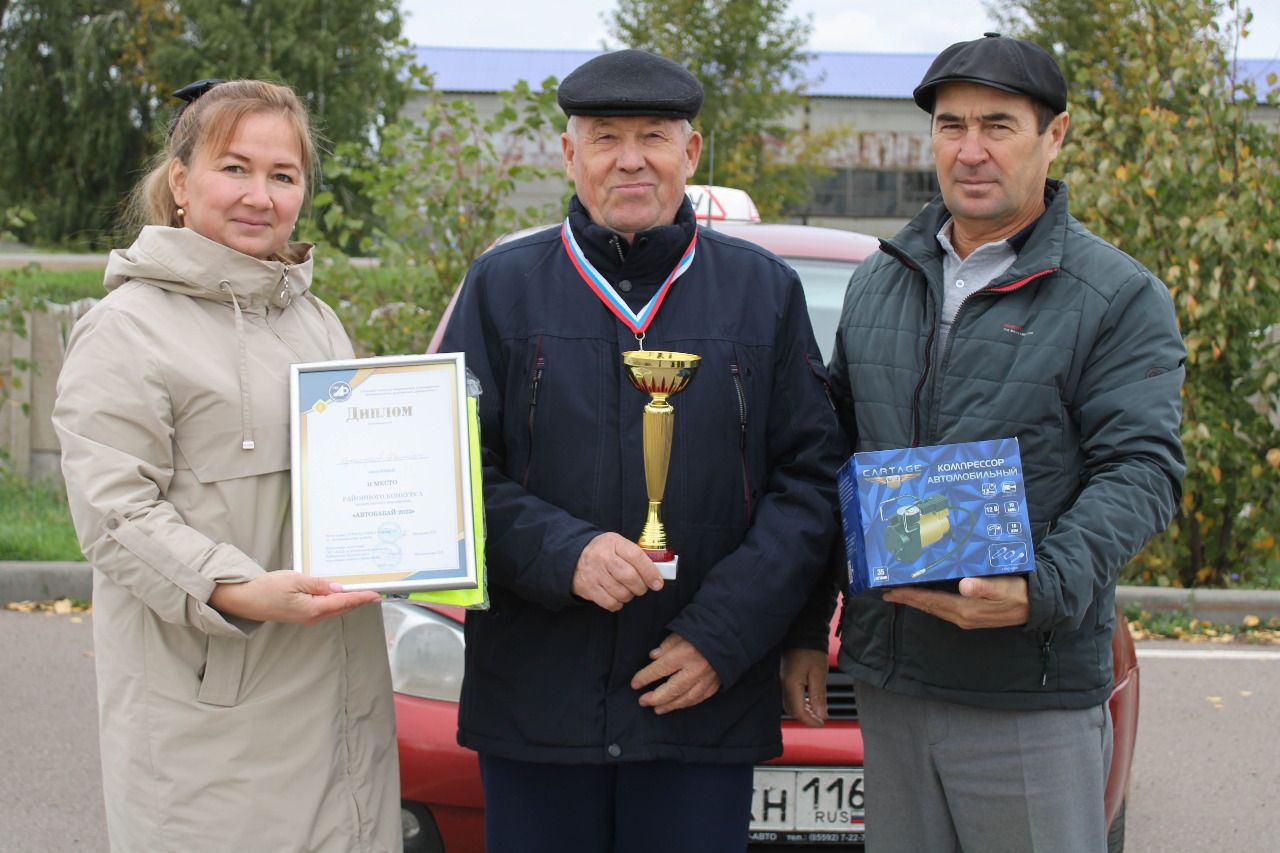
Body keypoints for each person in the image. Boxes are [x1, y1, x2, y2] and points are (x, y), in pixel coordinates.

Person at [781, 33, 1185, 852]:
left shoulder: (1116, 296)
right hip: (890, 684)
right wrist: (803, 629)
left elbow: (1143, 472)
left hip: (1025, 692)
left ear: (1055, 134)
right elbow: (837, 464)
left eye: (998, 125)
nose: (970, 150)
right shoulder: (878, 278)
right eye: (951, 125)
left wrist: (1039, 587)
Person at [440, 49, 844, 853]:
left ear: (691, 153)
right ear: (569, 155)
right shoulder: (502, 286)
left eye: (653, 135)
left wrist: (722, 636)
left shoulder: (763, 292)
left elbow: (811, 479)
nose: (630, 159)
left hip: (699, 701)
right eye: (605, 137)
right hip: (538, 705)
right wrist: (565, 551)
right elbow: (447, 473)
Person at [53, 79, 400, 852]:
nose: (260, 195)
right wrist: (232, 586)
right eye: (234, 168)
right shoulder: (126, 329)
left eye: (283, 175)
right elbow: (115, 514)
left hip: (341, 706)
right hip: (210, 722)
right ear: (181, 184)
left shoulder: (317, 320)